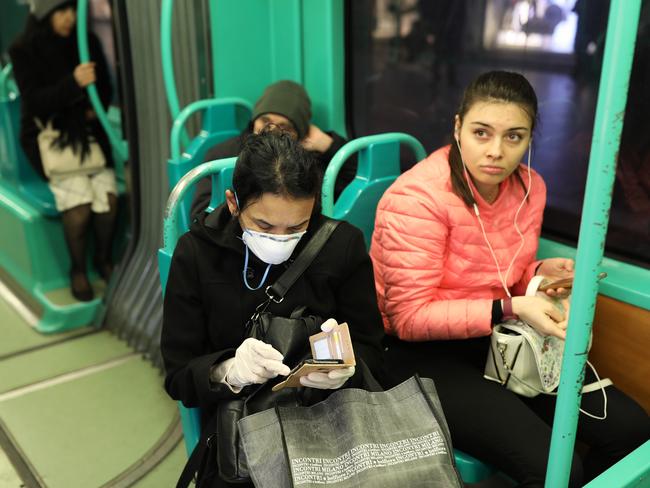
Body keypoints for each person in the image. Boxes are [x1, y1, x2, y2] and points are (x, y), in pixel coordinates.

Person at [370, 71, 650, 487]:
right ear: (457, 127)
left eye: (514, 137)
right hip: (421, 356)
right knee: (556, 468)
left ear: (530, 139)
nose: (496, 152)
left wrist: (539, 276)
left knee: (631, 429)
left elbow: (509, 276)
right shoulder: (416, 199)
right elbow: (407, 318)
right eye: (481, 133)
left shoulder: (528, 188)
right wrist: (513, 306)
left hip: (498, 335)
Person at [161, 131, 384, 488]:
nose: (279, 239)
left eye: (297, 226)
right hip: (242, 431)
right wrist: (229, 371)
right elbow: (178, 377)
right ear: (233, 204)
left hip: (331, 420)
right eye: (264, 225)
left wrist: (346, 370)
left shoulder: (340, 245)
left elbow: (372, 346)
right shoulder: (198, 255)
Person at [9, 0, 118, 301]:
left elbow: (105, 88)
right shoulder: (24, 50)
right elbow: (34, 103)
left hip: (89, 136)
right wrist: (74, 84)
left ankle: (103, 259)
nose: (69, 18)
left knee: (108, 204)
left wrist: (89, 109)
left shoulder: (86, 43)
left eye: (72, 10)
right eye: (61, 11)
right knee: (79, 210)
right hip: (54, 141)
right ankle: (78, 269)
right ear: (45, 14)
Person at [190, 80, 357, 219]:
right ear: (254, 121)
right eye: (264, 121)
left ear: (299, 135)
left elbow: (351, 182)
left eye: (284, 127)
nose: (271, 131)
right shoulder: (222, 156)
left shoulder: (306, 164)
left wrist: (330, 145)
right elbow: (200, 216)